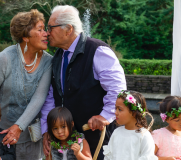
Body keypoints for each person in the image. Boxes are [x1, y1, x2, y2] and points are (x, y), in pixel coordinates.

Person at [41, 5, 126, 159]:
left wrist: (105, 116)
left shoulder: (98, 51)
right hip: (67, 142)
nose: (47, 33)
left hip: (98, 138)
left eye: (51, 28)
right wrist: (46, 129)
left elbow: (118, 90)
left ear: (68, 29)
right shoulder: (57, 58)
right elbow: (51, 97)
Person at [0, 9, 52, 159]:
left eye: (45, 29)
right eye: (40, 29)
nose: (46, 33)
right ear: (26, 37)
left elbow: (39, 98)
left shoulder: (48, 62)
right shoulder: (6, 58)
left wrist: (19, 127)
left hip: (31, 140)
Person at [103, 90, 157, 160]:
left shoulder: (144, 135)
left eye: (120, 109)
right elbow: (108, 157)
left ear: (134, 113)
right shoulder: (116, 132)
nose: (115, 112)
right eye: (116, 108)